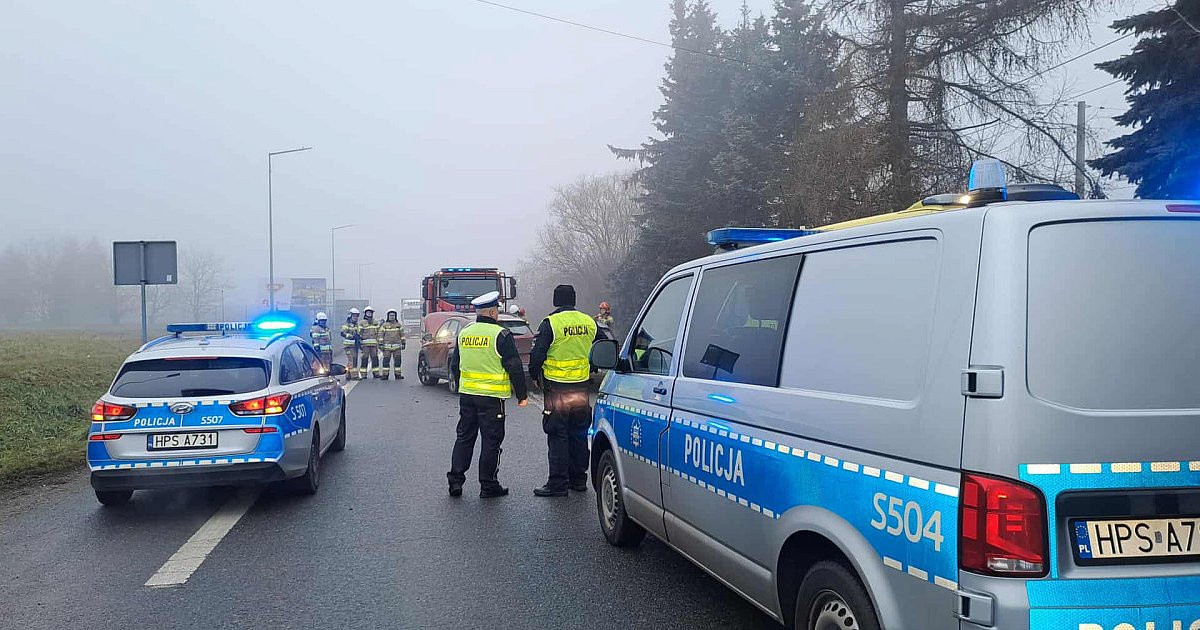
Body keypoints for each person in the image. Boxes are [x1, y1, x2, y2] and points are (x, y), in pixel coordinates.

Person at [447, 291, 529, 498]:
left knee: (464, 438)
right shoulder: (501, 335)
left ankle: (456, 481)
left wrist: (461, 386)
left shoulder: (465, 333)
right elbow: (515, 367)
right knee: (491, 442)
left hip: (467, 396)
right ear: (493, 311)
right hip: (492, 400)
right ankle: (488, 485)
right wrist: (521, 395)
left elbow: (455, 365)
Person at [529, 284, 603, 497]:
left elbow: (537, 355)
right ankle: (579, 480)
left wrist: (535, 377)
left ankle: (557, 484)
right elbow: (604, 346)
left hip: (557, 390)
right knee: (579, 434)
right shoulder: (589, 322)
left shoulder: (551, 323)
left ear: (555, 301)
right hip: (581, 389)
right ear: (574, 300)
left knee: (557, 434)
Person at [378, 308, 406, 381]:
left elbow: (402, 335)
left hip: (397, 347)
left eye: (393, 316)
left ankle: (398, 375)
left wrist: (403, 343)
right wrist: (380, 344)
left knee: (398, 362)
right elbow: (381, 335)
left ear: (395, 316)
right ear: (388, 316)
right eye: (390, 316)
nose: (392, 317)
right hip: (386, 347)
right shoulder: (384, 325)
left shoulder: (398, 325)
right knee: (386, 362)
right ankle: (385, 375)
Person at [358, 306, 381, 380]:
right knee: (365, 359)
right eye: (368, 312)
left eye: (370, 312)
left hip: (374, 345)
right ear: (365, 313)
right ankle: (363, 374)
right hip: (365, 345)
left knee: (375, 359)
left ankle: (376, 373)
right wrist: (360, 342)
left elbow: (379, 332)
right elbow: (359, 333)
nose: (369, 314)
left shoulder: (375, 322)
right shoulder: (361, 322)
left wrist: (379, 341)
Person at [340, 308, 361, 380]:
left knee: (352, 360)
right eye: (354, 316)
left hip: (354, 346)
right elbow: (342, 333)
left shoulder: (356, 325)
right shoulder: (346, 324)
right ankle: (354, 376)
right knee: (352, 360)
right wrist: (351, 336)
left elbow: (358, 334)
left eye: (357, 316)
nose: (356, 318)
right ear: (350, 316)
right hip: (348, 346)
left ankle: (348, 375)